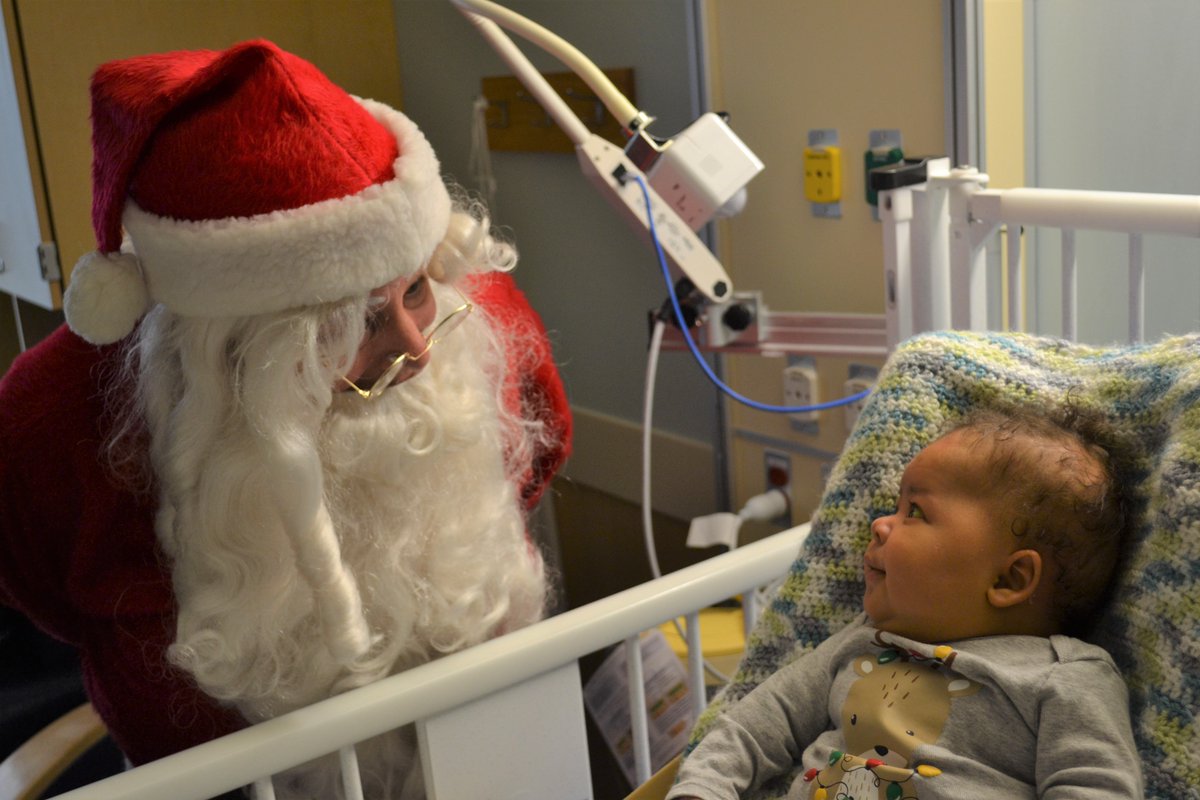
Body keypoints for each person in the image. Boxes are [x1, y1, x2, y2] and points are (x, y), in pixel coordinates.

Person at [0, 39, 571, 798]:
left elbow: (540, 459)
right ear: (230, 353)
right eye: (355, 324)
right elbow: (41, 595)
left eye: (417, 291)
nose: (418, 352)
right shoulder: (45, 427)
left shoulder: (483, 324)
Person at [667, 407, 1143, 799]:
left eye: (914, 511)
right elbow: (752, 728)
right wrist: (701, 790)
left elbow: (1096, 788)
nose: (879, 524)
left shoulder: (1064, 677)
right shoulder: (856, 645)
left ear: (1010, 577)